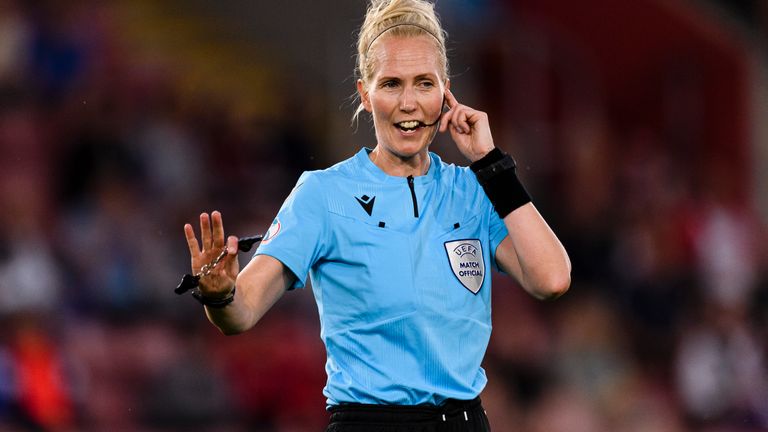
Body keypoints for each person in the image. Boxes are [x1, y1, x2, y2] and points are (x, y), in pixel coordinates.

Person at [182, 0, 571, 430]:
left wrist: (491, 162)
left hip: (464, 421)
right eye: (391, 84)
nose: (408, 102)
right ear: (365, 94)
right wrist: (219, 295)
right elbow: (242, 312)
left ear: (445, 92)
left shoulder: (474, 190)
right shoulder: (322, 194)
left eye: (424, 84)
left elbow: (551, 279)